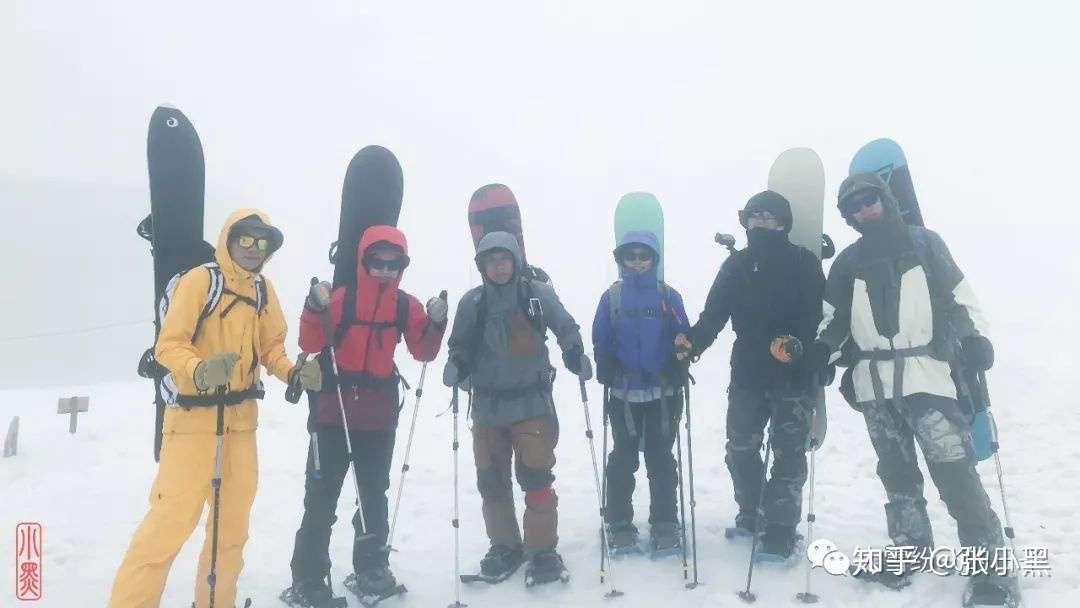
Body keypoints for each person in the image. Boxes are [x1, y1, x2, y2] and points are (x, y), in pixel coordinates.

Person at [806, 172, 1013, 602]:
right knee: (897, 475)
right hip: (874, 388)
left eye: (868, 201)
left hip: (928, 380)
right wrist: (822, 353)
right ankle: (910, 550)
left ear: (884, 199)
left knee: (954, 473)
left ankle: (991, 568)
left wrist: (976, 338)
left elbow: (960, 299)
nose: (863, 210)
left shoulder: (926, 244)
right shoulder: (847, 263)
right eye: (853, 208)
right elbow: (834, 320)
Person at [109, 210, 322, 608]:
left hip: (241, 426)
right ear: (230, 238)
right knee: (169, 524)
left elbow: (271, 347)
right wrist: (199, 370)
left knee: (232, 530)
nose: (253, 249)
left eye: (262, 243)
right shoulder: (199, 281)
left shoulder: (263, 291)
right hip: (191, 422)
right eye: (246, 239)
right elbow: (168, 344)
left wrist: (292, 372)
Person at [284, 225, 447, 605]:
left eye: (395, 264)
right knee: (322, 496)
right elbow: (310, 342)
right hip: (332, 412)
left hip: (377, 414)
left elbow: (423, 351)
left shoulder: (406, 305)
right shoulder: (340, 299)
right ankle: (308, 577)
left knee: (373, 494)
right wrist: (314, 307)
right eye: (379, 262)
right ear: (365, 260)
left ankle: (371, 566)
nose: (386, 270)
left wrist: (436, 323)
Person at [674, 191, 825, 560]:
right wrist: (691, 344)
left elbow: (818, 315)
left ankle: (780, 527)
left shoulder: (804, 262)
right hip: (748, 372)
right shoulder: (737, 265)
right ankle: (752, 509)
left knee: (788, 453)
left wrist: (802, 347)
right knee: (740, 448)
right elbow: (714, 315)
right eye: (754, 216)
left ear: (783, 222)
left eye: (769, 216)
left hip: (793, 373)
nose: (761, 222)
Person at [443, 231, 592, 585]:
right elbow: (460, 344)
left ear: (516, 261)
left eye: (504, 259)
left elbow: (565, 326)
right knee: (491, 480)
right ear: (482, 266)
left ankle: (542, 551)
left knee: (536, 477)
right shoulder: (472, 303)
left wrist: (573, 352)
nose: (499, 266)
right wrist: (457, 365)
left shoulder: (537, 294)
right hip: (488, 408)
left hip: (531, 404)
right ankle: (504, 545)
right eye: (491, 261)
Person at [591, 230, 690, 555]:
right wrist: (603, 363)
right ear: (620, 260)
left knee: (661, 459)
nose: (637, 262)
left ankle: (665, 522)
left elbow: (682, 335)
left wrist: (680, 361)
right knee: (623, 459)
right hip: (624, 394)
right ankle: (619, 522)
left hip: (663, 393)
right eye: (630, 256)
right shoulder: (612, 297)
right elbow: (601, 337)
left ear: (654, 259)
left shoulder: (668, 296)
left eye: (643, 255)